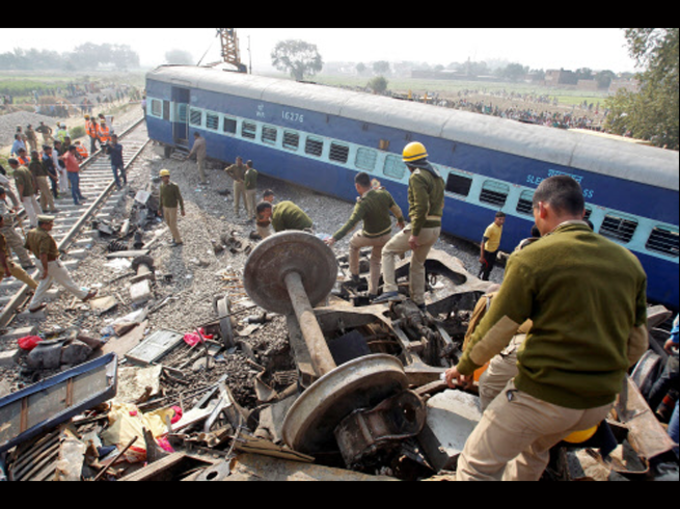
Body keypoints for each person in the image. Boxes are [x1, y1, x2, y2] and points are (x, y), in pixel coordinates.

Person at [445, 175, 649, 481]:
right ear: (582, 213)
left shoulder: (534, 257)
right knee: (534, 451)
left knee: (475, 465)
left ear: (541, 210)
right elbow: (637, 344)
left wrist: (463, 366)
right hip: (597, 404)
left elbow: (496, 329)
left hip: (545, 397)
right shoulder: (628, 262)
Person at [373, 142, 444, 309]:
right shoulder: (437, 175)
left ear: (409, 164)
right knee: (417, 265)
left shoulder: (417, 176)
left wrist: (415, 233)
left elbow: (422, 207)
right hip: (436, 228)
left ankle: (390, 289)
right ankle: (419, 302)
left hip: (423, 227)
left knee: (388, 251)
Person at [326, 172, 405, 298]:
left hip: (369, 236)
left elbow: (351, 225)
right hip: (385, 236)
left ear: (357, 186)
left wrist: (334, 238)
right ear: (370, 183)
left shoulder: (362, 203)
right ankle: (372, 292)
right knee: (375, 261)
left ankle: (354, 273)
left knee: (353, 244)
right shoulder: (384, 193)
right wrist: (400, 221)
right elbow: (397, 210)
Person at [25, 215, 97, 313]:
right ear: (44, 225)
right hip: (49, 262)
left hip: (39, 261)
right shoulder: (44, 236)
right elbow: (43, 253)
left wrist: (42, 266)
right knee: (66, 279)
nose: (52, 226)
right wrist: (45, 269)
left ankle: (34, 305)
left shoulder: (31, 232)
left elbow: (28, 247)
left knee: (43, 283)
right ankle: (83, 295)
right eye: (50, 224)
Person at [0, 186, 34, 269]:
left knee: (5, 249)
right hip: (6, 229)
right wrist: (11, 214)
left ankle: (8, 267)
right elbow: (4, 217)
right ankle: (26, 263)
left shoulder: (2, 203)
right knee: (18, 244)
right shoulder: (1, 204)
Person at [0, 215, 37, 291]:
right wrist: (6, 268)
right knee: (22, 274)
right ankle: (38, 288)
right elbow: (1, 253)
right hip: (3, 262)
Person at [8, 158, 42, 228]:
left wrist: (20, 195)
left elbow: (21, 184)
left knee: (29, 208)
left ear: (12, 164)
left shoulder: (17, 172)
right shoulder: (25, 168)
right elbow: (31, 179)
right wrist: (33, 188)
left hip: (25, 192)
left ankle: (34, 223)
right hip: (30, 190)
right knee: (35, 205)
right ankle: (42, 217)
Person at [158, 169, 185, 246]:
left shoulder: (174, 186)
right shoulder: (162, 186)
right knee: (168, 223)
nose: (163, 179)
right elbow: (161, 197)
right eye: (162, 177)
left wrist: (182, 209)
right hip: (165, 207)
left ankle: (178, 240)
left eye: (165, 177)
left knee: (173, 224)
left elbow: (179, 198)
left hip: (172, 207)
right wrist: (159, 208)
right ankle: (174, 236)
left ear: (168, 177)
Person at [478, 211, 505, 281]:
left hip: (494, 251)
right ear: (496, 218)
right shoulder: (490, 228)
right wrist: (481, 256)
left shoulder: (500, 227)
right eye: (500, 219)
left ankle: (485, 279)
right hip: (488, 252)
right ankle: (480, 280)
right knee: (485, 268)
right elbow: (483, 243)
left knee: (490, 267)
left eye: (503, 220)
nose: (502, 221)